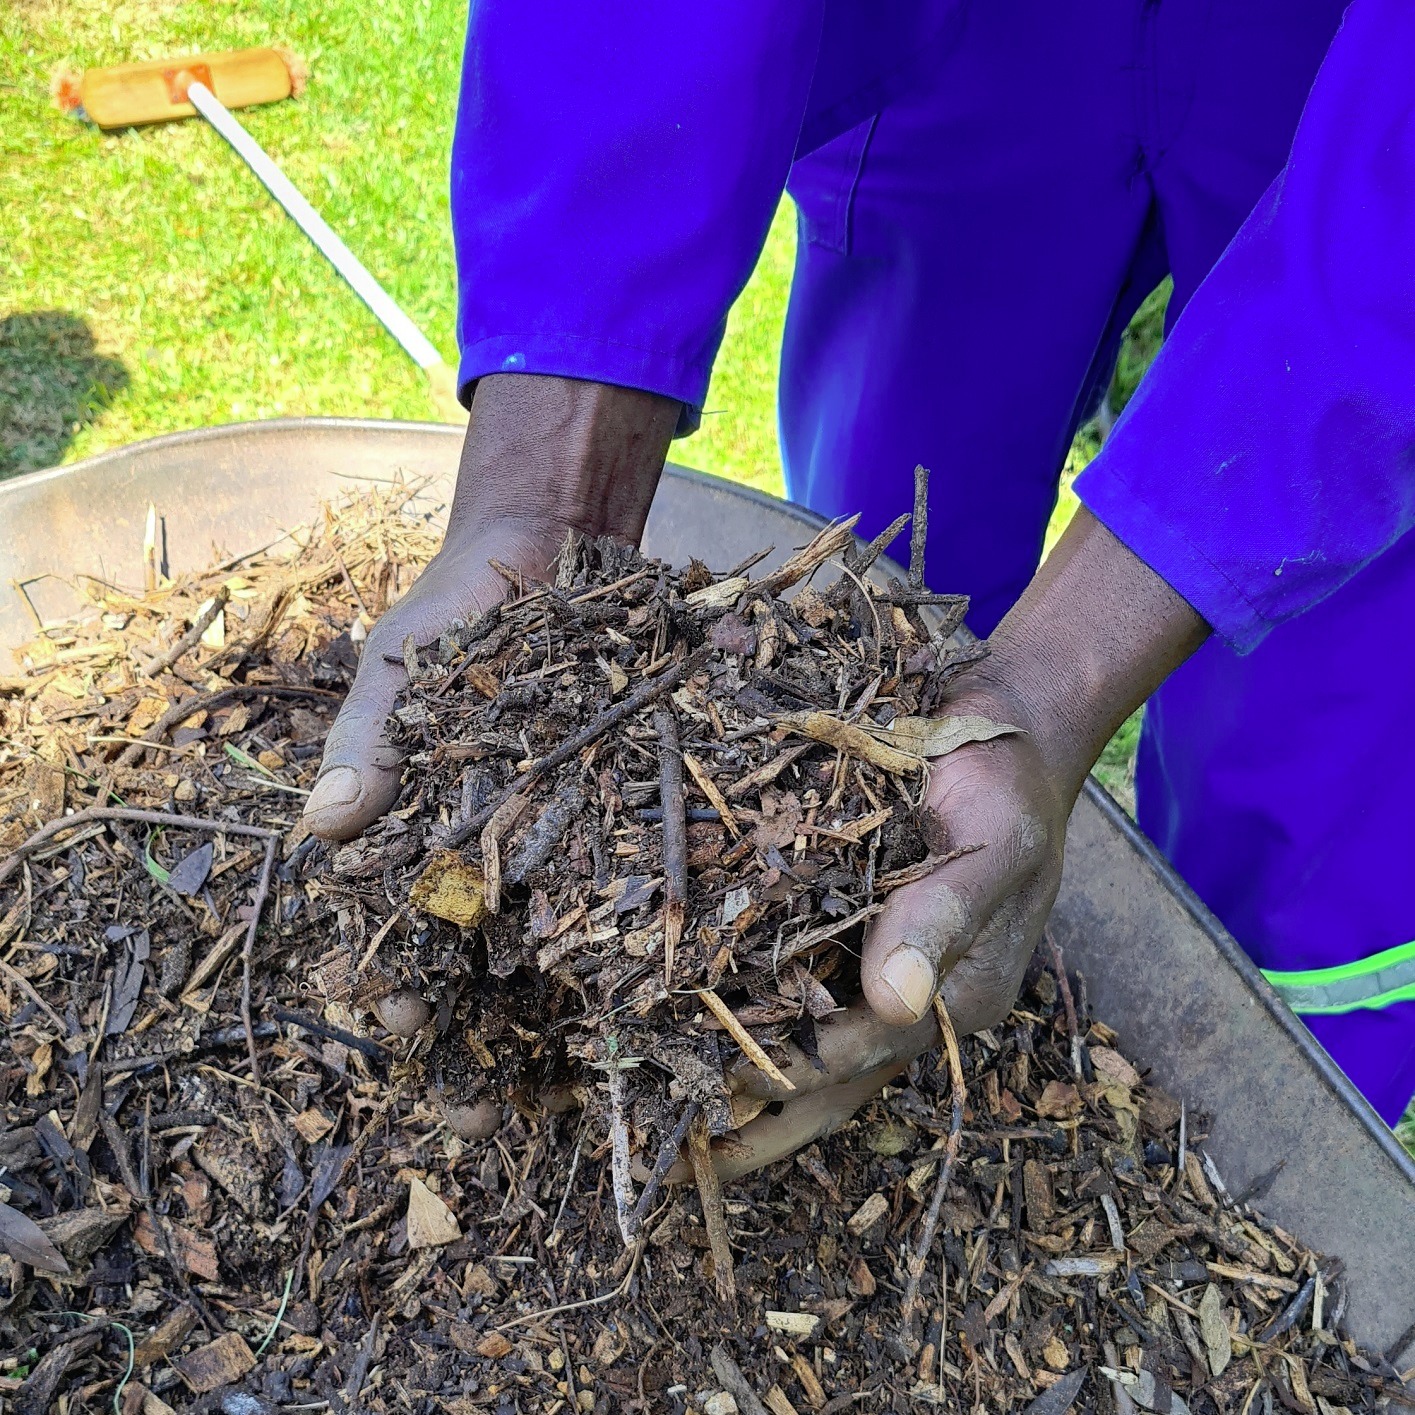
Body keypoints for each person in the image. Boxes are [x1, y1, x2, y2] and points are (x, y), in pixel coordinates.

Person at [303, 0, 1415, 1164]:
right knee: (888, 560)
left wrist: (1057, 680)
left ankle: (1238, 1132)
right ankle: (889, 942)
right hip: (981, 35)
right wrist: (547, 492)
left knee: (1309, 686)